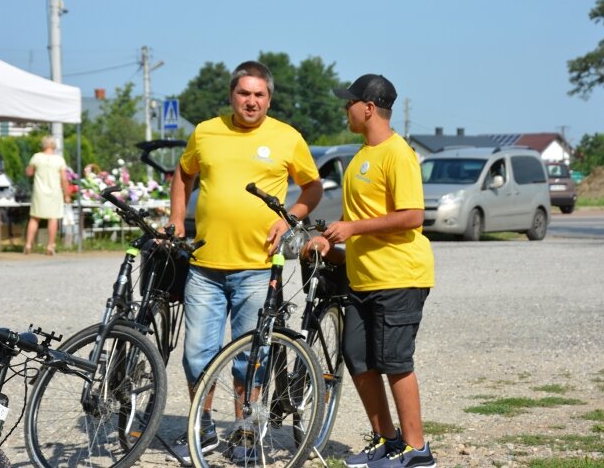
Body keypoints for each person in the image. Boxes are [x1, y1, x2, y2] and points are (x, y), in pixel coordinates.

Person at [167, 60, 323, 462]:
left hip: (257, 266)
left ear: (269, 98)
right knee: (196, 354)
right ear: (231, 95)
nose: (251, 101)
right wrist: (175, 219)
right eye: (244, 93)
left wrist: (289, 219)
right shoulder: (205, 131)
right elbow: (183, 174)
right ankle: (201, 429)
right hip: (204, 265)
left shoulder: (287, 137)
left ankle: (244, 431)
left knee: (250, 356)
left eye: (259, 94)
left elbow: (312, 187)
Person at [306, 74, 436, 468]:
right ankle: (387, 438)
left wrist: (353, 229)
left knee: (395, 362)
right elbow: (359, 214)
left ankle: (418, 450)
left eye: (349, 103)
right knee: (358, 358)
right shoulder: (362, 155)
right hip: (363, 276)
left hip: (399, 276)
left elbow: (413, 216)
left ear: (368, 107)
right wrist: (332, 239)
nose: (345, 109)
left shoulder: (399, 153)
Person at [24, 135, 70, 255]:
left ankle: (28, 244)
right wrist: (67, 194)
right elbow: (64, 179)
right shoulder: (59, 160)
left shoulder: (37, 157)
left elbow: (29, 172)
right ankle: (50, 246)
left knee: (34, 218)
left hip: (39, 191)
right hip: (54, 192)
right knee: (53, 218)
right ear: (54, 145)